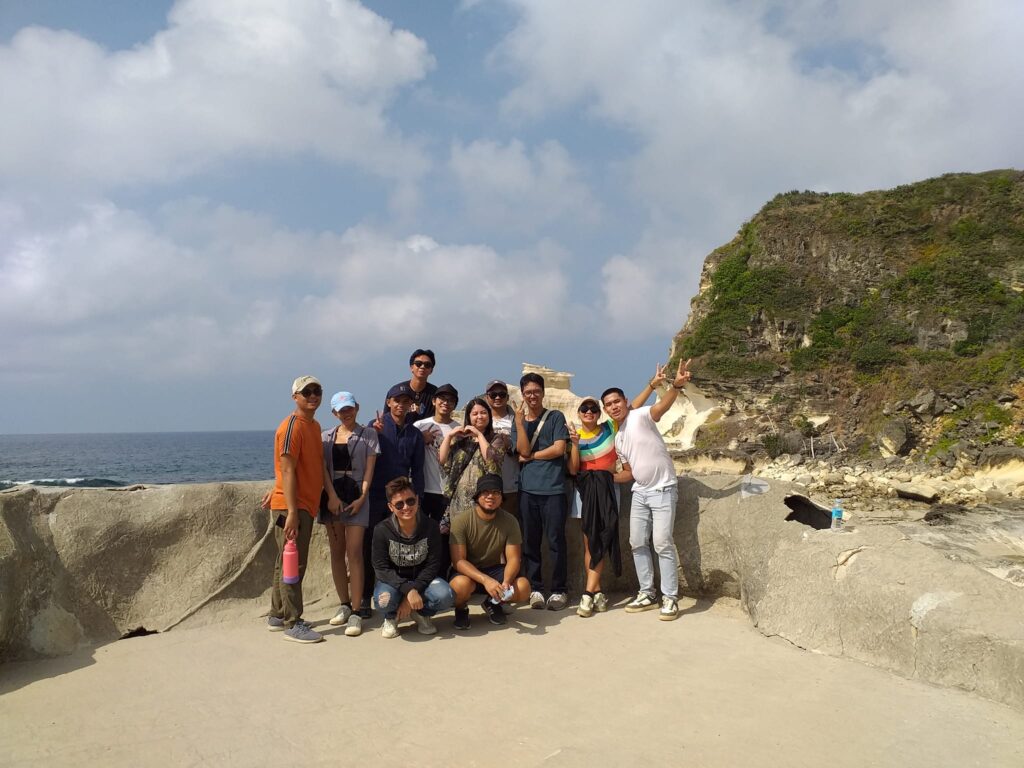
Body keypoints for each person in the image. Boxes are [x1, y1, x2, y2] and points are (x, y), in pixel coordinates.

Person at [602, 359, 692, 621]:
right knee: (637, 543)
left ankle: (670, 597)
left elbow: (663, 407)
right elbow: (629, 473)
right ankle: (647, 592)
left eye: (616, 401)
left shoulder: (640, 416)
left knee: (662, 542)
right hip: (640, 493)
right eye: (608, 404)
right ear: (606, 410)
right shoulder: (618, 438)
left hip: (664, 489)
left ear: (625, 401)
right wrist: (606, 476)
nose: (613, 407)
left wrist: (674, 386)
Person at [264, 375, 339, 644]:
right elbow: (286, 468)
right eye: (306, 392)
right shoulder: (292, 427)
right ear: (295, 396)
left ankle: (277, 614)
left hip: (304, 503)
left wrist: (329, 493)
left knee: (284, 561)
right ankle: (293, 622)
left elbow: (316, 465)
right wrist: (292, 511)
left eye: (317, 390)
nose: (313, 395)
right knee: (294, 562)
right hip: (292, 507)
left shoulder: (313, 425)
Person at [362, 381, 426, 615]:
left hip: (402, 502)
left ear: (411, 406)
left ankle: (402, 595)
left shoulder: (415, 434)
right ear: (388, 402)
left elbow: (417, 471)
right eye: (397, 400)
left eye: (406, 401)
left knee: (403, 548)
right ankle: (366, 597)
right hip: (376, 497)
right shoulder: (375, 427)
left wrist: (416, 502)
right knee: (369, 547)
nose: (401, 404)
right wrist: (372, 433)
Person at [319, 391, 379, 638]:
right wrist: (331, 496)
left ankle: (357, 609)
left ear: (357, 407)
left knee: (355, 553)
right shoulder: (326, 438)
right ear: (334, 413)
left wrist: (362, 497)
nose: (347, 413)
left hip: (357, 497)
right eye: (341, 410)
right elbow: (322, 469)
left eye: (350, 408)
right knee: (337, 553)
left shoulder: (369, 435)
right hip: (332, 498)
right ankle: (343, 603)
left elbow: (369, 470)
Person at [510, 372, 570, 611]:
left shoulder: (555, 417)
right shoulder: (520, 423)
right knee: (530, 542)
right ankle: (535, 588)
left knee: (556, 541)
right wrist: (518, 423)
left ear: (543, 392)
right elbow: (521, 451)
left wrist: (533, 456)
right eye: (527, 392)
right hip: (528, 490)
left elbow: (558, 448)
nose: (532, 396)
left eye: (536, 391)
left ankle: (558, 590)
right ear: (522, 395)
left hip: (554, 489)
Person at [371, 476, 454, 638]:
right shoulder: (382, 530)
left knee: (446, 596)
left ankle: (421, 613)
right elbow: (381, 568)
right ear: (390, 507)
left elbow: (433, 565)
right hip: (393, 582)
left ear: (417, 500)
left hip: (423, 580)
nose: (406, 507)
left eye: (410, 501)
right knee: (383, 601)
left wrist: (413, 592)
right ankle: (391, 617)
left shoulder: (430, 527)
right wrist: (407, 590)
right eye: (399, 504)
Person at [448, 474, 532, 629]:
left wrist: (506, 582)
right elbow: (458, 561)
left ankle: (493, 602)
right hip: (468, 572)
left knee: (523, 587)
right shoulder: (462, 521)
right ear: (478, 496)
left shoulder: (510, 521)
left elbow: (514, 558)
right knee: (460, 585)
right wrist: (486, 580)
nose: (490, 496)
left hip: (493, 569)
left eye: (496, 492)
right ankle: (461, 609)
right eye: (485, 492)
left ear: (501, 497)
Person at [567, 396, 622, 618]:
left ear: (599, 414)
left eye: (593, 409)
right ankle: (596, 592)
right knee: (590, 541)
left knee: (604, 536)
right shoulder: (576, 436)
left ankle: (588, 592)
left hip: (607, 491)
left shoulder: (610, 427)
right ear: (579, 413)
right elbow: (572, 469)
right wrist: (573, 444)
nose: (589, 412)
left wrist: (652, 385)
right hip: (585, 492)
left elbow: (633, 406)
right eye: (584, 409)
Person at [439, 397, 510, 528]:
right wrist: (449, 436)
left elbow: (492, 461)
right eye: (475, 413)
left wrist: (479, 435)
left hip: (484, 499)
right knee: (459, 539)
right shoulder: (459, 440)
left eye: (483, 413)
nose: (479, 417)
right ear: (469, 417)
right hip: (459, 499)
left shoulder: (497, 438)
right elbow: (442, 460)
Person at [413, 384, 460, 526]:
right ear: (434, 401)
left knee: (444, 536)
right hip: (423, 489)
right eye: (442, 398)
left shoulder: (459, 429)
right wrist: (421, 439)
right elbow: (407, 451)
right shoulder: (419, 425)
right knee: (421, 532)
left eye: (450, 400)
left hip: (448, 491)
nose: (446, 402)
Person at [485, 380, 520, 518]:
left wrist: (509, 445)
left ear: (507, 397)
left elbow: (523, 450)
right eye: (493, 394)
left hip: (509, 486)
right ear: (487, 397)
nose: (497, 397)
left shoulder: (516, 420)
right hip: (485, 485)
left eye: (501, 394)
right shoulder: (482, 418)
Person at [407, 348, 438, 421]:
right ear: (411, 368)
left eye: (427, 365)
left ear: (431, 370)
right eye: (418, 364)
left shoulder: (436, 394)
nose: (422, 367)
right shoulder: (397, 391)